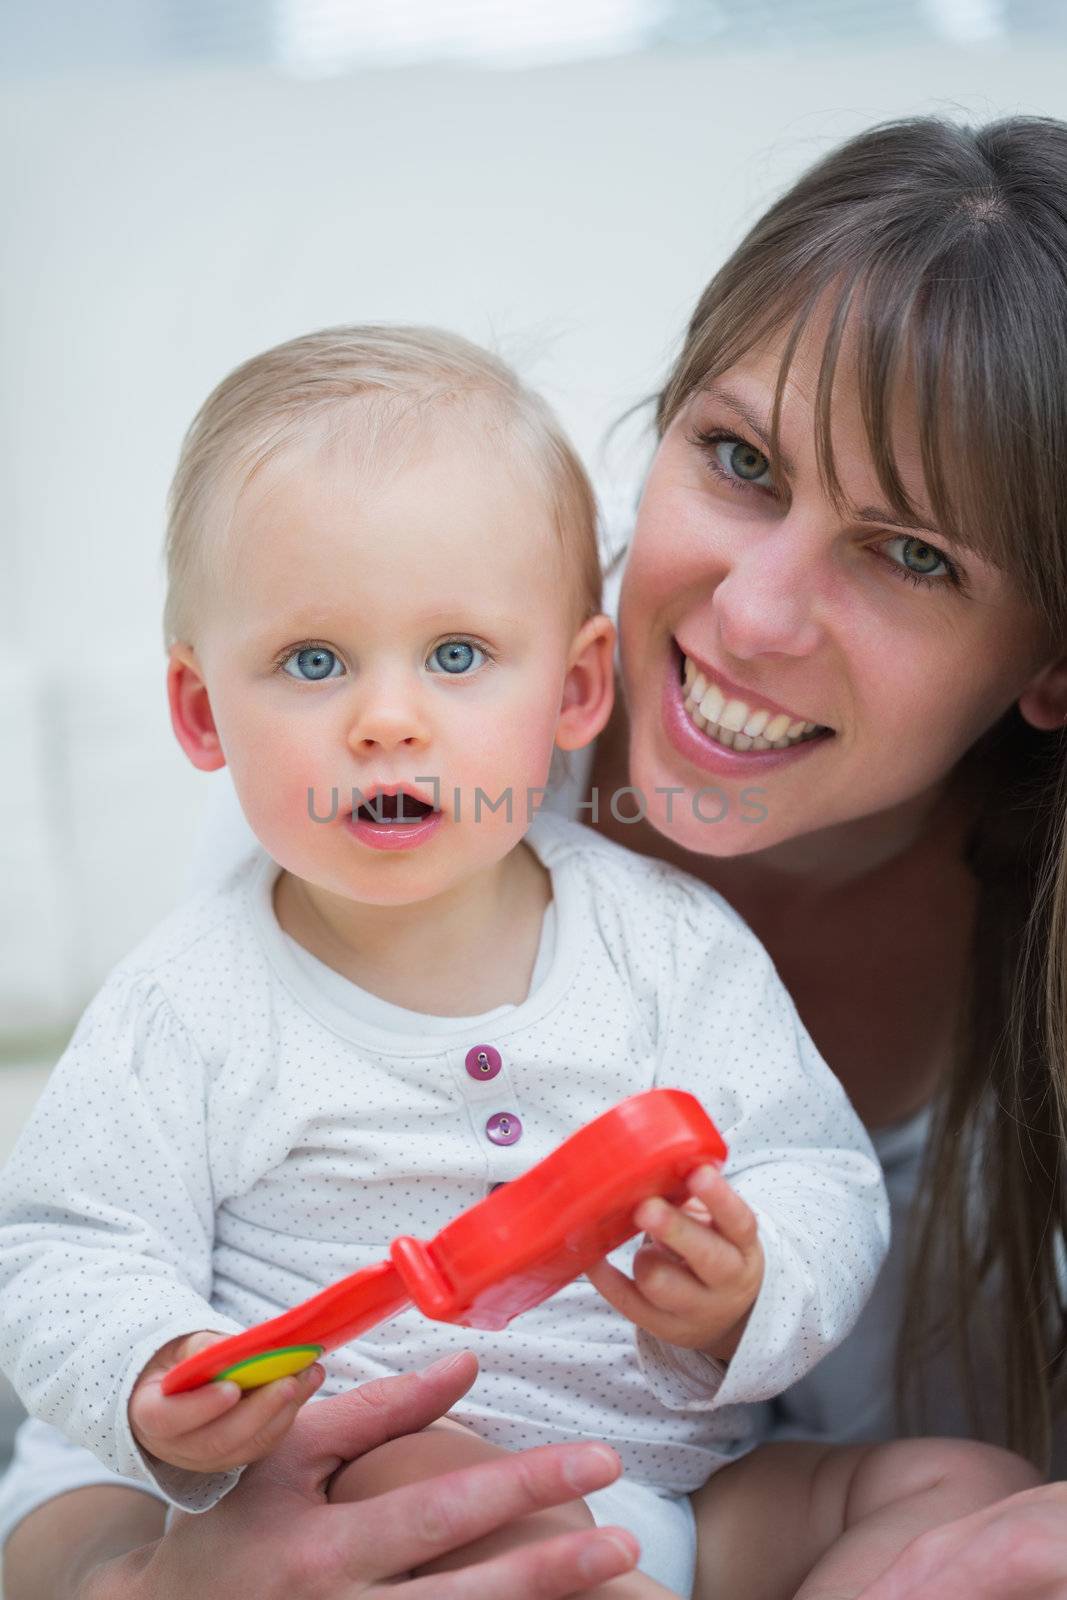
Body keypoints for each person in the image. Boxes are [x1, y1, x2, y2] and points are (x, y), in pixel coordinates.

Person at [5, 108, 1067, 1597]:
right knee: (430, 1465)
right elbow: (74, 1249)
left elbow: (809, 1163)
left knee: (980, 1492)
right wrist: (157, 1404)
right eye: (740, 458)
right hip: (397, 1465)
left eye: (913, 555)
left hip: (690, 1483)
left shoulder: (661, 940)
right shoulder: (302, 859)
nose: (751, 621)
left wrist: (753, 1282)